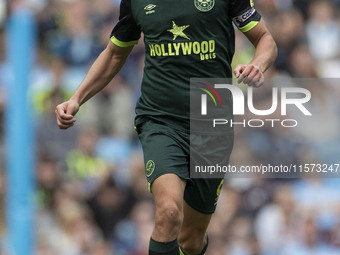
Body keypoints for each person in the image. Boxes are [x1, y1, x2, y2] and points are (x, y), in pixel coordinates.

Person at [55, 0, 277, 254]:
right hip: (161, 120)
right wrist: (76, 99)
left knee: (191, 240)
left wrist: (257, 65)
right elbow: (116, 52)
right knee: (169, 212)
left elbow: (265, 39)